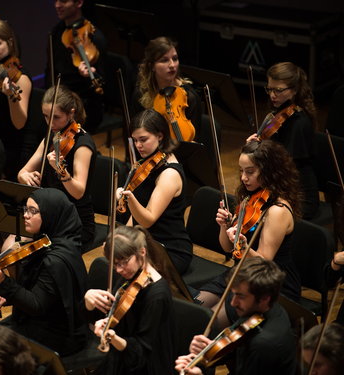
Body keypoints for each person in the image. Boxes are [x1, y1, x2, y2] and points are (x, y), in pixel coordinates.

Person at [197, 139, 301, 316]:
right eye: (241, 171)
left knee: (213, 320)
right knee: (197, 309)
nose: (244, 177)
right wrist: (225, 226)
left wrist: (243, 246)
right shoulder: (249, 198)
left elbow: (263, 262)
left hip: (268, 284)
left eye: (250, 172)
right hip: (241, 272)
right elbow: (228, 248)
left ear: (269, 171)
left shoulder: (277, 211)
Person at [0, 188, 88, 357]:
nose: (26, 215)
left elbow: (36, 305)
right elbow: (39, 291)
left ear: (50, 215)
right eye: (26, 209)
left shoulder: (56, 259)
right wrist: (8, 297)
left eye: (33, 211)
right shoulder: (47, 242)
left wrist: (4, 281)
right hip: (42, 319)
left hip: (58, 334)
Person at [175, 257, 296, 375]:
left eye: (241, 296)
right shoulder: (262, 310)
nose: (233, 303)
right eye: (233, 294)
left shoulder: (263, 345)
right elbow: (231, 347)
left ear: (264, 298)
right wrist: (206, 352)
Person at [84, 225, 176, 375]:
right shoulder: (129, 274)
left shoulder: (157, 296)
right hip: (121, 356)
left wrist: (113, 338)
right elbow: (105, 315)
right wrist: (89, 302)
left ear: (142, 252)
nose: (118, 269)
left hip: (144, 366)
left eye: (123, 262)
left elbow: (141, 353)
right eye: (114, 264)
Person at [18, 85, 96, 251]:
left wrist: (61, 170)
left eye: (56, 117)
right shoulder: (51, 137)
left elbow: (78, 191)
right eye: (46, 117)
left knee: (33, 254)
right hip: (48, 215)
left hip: (74, 221)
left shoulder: (82, 144)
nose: (50, 123)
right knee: (11, 246)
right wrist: (25, 176)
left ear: (71, 113)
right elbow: (22, 172)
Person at [117, 109, 192, 274]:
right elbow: (137, 214)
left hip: (169, 249)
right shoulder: (148, 163)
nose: (138, 146)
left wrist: (129, 199)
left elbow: (147, 220)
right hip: (144, 241)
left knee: (127, 271)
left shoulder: (169, 174)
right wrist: (121, 238)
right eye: (135, 140)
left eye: (143, 140)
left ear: (160, 135)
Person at [247, 61, 319, 220]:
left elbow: (286, 168)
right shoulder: (279, 113)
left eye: (278, 90)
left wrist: (257, 152)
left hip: (299, 196)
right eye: (269, 89)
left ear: (294, 91)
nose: (272, 95)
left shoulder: (299, 123)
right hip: (281, 188)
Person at [0, 19, 39, 181]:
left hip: (14, 149)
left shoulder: (21, 78)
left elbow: (19, 123)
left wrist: (11, 96)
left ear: (10, 43)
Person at [46, 0, 106, 133]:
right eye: (56, 0)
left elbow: (103, 83)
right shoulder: (56, 32)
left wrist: (90, 76)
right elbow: (50, 69)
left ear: (79, 3)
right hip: (59, 98)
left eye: (63, 1)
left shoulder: (95, 38)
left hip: (84, 105)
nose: (57, 5)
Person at [131, 36, 202, 142]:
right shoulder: (140, 95)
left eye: (175, 59)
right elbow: (134, 135)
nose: (172, 65)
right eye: (164, 60)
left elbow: (195, 142)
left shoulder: (189, 96)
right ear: (152, 66)